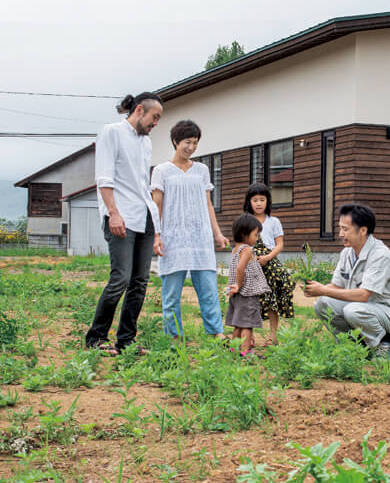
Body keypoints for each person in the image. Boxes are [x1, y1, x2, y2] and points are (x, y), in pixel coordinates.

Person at [85, 92, 164, 356]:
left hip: (144, 216)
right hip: (121, 216)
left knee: (140, 282)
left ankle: (126, 340)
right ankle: (96, 338)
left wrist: (156, 226)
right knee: (120, 278)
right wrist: (113, 213)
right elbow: (104, 177)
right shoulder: (112, 132)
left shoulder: (146, 143)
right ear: (140, 110)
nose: (155, 123)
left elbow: (142, 184)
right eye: (155, 117)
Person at [151, 119, 229, 340]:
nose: (191, 147)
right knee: (171, 294)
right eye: (187, 142)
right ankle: (173, 338)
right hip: (172, 239)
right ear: (175, 141)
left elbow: (208, 204)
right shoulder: (161, 171)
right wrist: (156, 235)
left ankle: (217, 333)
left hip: (200, 238)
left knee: (208, 290)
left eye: (195, 143)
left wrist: (217, 233)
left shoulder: (201, 170)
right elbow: (157, 205)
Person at [304, 203, 390, 359]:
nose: (340, 234)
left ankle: (383, 342)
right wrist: (316, 289)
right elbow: (336, 286)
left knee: (352, 310)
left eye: (345, 229)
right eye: (340, 228)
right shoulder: (347, 253)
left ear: (363, 231)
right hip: (362, 308)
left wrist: (324, 290)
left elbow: (364, 295)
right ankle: (353, 345)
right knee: (322, 303)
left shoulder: (380, 255)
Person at [243, 182, 295, 345]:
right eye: (255, 200)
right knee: (250, 300)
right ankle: (248, 336)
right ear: (249, 202)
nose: (258, 203)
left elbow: (279, 244)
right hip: (250, 262)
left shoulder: (273, 221)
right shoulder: (246, 221)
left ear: (267, 202)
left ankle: (273, 335)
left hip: (270, 264)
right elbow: (242, 243)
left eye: (262, 200)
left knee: (272, 299)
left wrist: (267, 258)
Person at [225, 213, 270, 355]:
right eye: (255, 235)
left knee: (238, 323)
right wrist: (239, 285)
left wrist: (235, 287)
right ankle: (245, 352)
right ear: (245, 234)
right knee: (247, 325)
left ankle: (234, 349)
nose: (257, 238)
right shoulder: (247, 250)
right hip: (247, 293)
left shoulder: (236, 249)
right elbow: (240, 268)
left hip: (236, 294)